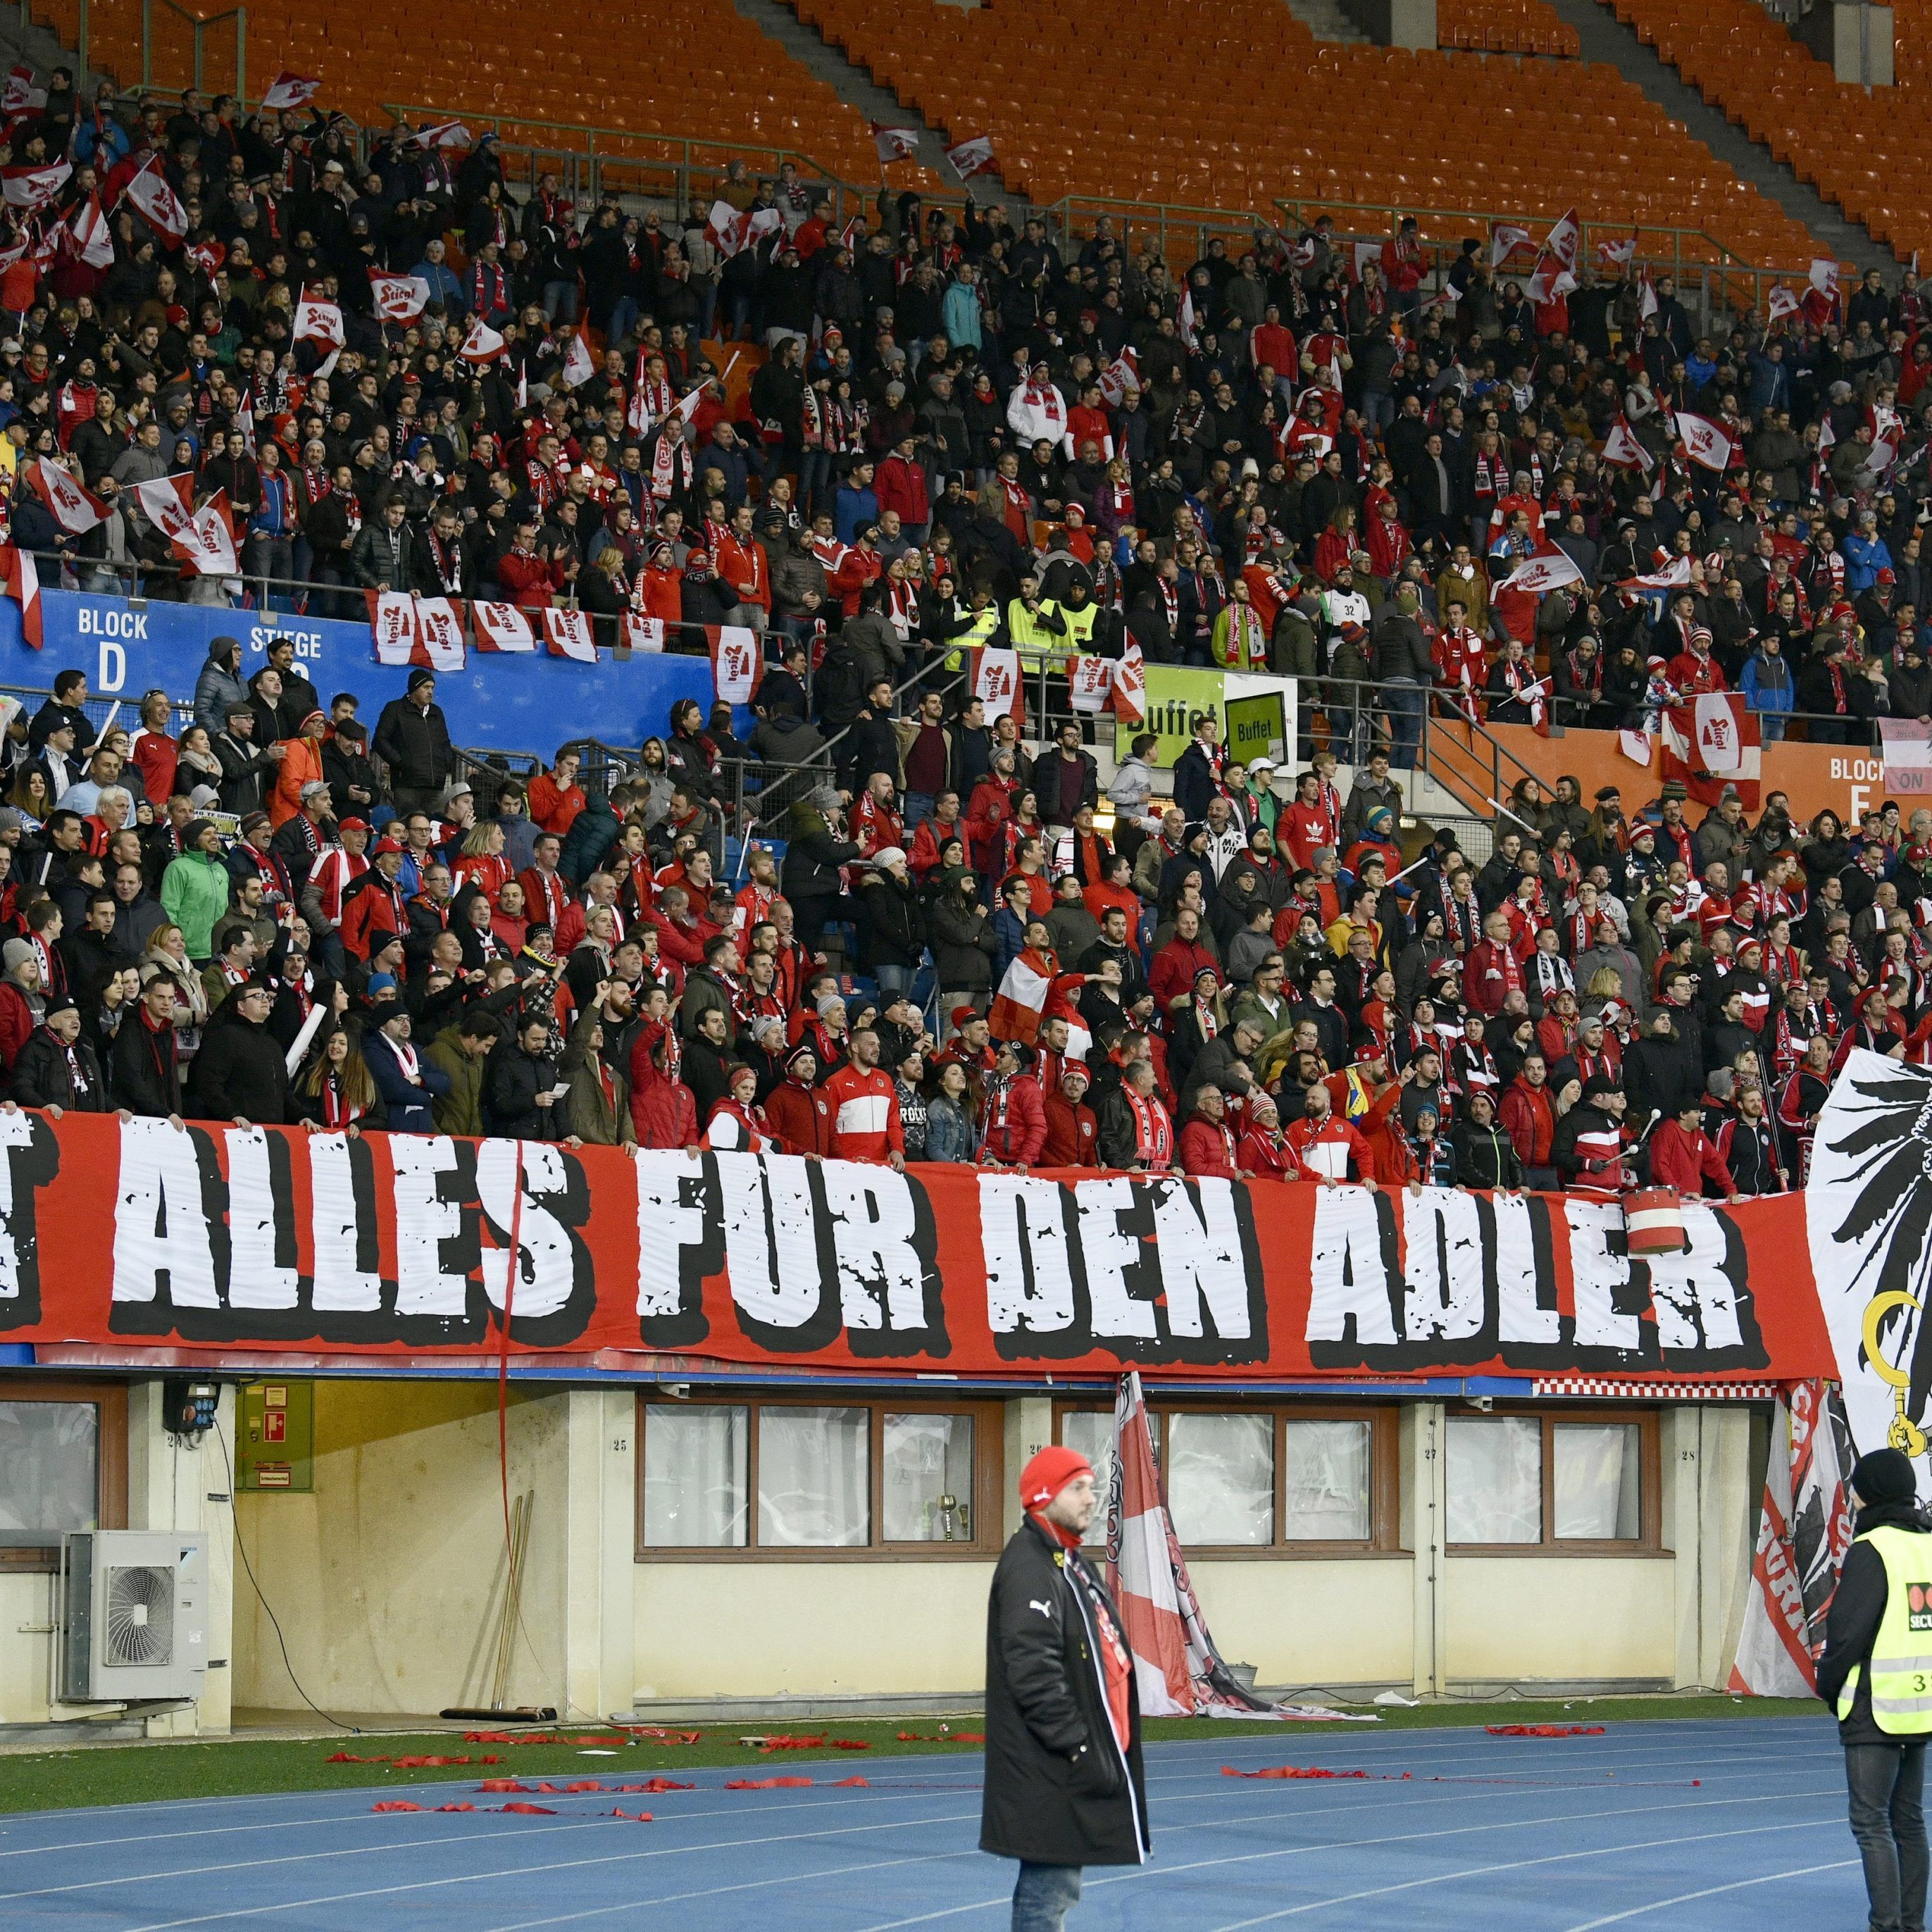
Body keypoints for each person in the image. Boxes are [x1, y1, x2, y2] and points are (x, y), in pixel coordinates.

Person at [981, 1445, 1149, 1929]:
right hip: (1050, 1762)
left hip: (1067, 1757)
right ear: (1042, 1494)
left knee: (1056, 1884)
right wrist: (1077, 1743)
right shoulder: (1030, 1565)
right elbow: (1032, 1668)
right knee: (1048, 1888)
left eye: (1092, 1487)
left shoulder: (1067, 1559)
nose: (1090, 1498)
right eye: (1077, 1487)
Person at [1817, 1447, 1932, 1932]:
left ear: (1871, 1491)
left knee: (1870, 1822)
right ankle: (1910, 1924)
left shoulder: (1871, 1548)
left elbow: (1846, 1632)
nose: (1852, 1495)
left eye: (1856, 1486)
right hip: (1918, 1703)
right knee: (1908, 1819)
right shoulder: (1926, 1544)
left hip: (1873, 1705)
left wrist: (1827, 1684)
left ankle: (1885, 1926)